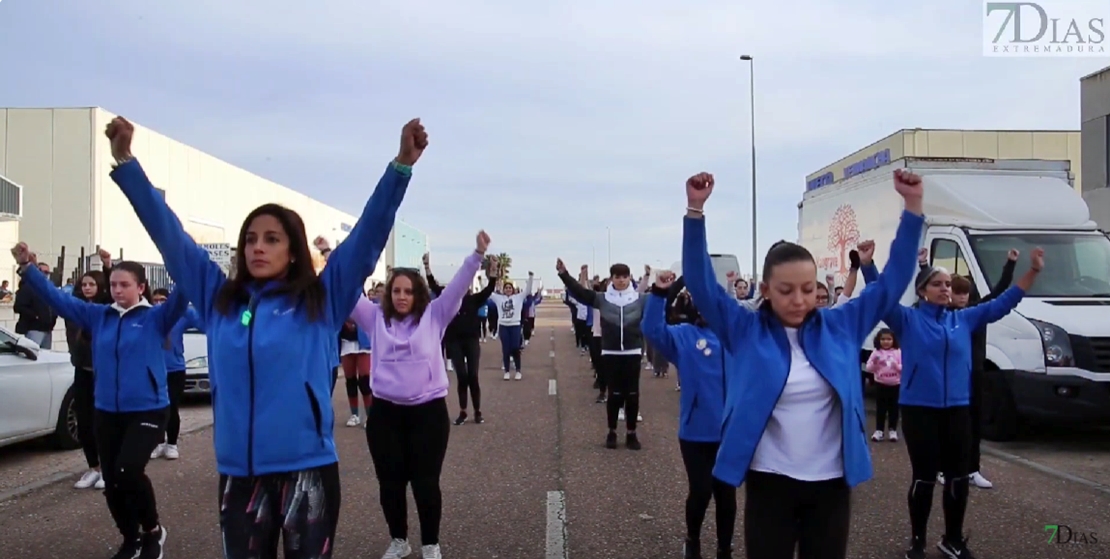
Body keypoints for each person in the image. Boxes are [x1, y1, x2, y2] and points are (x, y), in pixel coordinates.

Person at [103, 115, 426, 559]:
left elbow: (368, 235)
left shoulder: (322, 299)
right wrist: (127, 163)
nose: (257, 247)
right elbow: (171, 238)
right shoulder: (219, 299)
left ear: (293, 250)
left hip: (307, 471)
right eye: (251, 238)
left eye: (272, 239)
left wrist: (401, 168)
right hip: (240, 475)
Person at [682, 169, 925, 559]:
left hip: (830, 484)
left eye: (808, 289)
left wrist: (912, 207)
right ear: (764, 290)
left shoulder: (842, 325)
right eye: (786, 290)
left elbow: (893, 280)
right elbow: (699, 283)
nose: (799, 299)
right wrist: (695, 211)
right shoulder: (744, 329)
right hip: (769, 482)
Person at [861, 247, 1041, 559]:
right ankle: (917, 541)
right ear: (922, 291)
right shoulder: (907, 319)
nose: (945, 289)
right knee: (925, 476)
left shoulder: (965, 319)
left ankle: (953, 539)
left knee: (958, 476)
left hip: (958, 407)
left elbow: (1004, 302)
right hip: (920, 409)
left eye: (948, 284)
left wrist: (1033, 271)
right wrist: (867, 265)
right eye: (938, 284)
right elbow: (881, 298)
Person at [12, 242, 187, 559]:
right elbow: (57, 299)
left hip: (147, 409)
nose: (118, 290)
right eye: (115, 285)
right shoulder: (98, 316)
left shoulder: (156, 318)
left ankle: (153, 531)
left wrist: (183, 260)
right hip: (106, 410)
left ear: (141, 287)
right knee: (113, 481)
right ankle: (130, 538)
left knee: (128, 472)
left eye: (125, 285)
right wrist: (27, 268)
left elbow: (183, 295)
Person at [350, 231, 489, 559]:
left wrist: (477, 255)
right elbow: (347, 294)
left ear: (418, 294)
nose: (401, 296)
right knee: (390, 485)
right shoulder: (374, 318)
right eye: (396, 290)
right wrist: (329, 258)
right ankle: (400, 540)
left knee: (426, 483)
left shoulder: (435, 315)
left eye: (408, 291)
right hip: (385, 415)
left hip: (428, 414)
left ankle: (430, 543)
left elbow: (457, 286)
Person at [642, 269, 736, 559]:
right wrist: (659, 293)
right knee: (701, 490)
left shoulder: (735, 337)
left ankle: (724, 548)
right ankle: (692, 539)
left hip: (729, 432)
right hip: (695, 432)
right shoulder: (683, 336)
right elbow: (652, 330)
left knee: (726, 494)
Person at [556, 260, 650, 450]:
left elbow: (665, 296)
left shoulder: (641, 299)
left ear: (630, 277)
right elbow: (580, 293)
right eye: (617, 277)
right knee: (614, 394)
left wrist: (682, 278)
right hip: (610, 351)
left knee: (632, 394)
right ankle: (612, 431)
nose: (622, 280)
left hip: (632, 351)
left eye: (625, 276)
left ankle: (631, 433)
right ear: (612, 279)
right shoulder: (603, 298)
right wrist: (564, 274)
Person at [425, 254, 499, 425]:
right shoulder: (447, 298)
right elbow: (433, 285)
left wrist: (493, 270)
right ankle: (463, 411)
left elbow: (489, 289)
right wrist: (427, 266)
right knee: (462, 376)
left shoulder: (473, 300)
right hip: (454, 342)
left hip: (471, 341)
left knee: (473, 375)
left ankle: (477, 411)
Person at [68, 257, 113, 490]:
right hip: (82, 370)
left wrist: (107, 266)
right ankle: (93, 468)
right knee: (83, 421)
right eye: (84, 284)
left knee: (102, 422)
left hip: (103, 374)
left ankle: (107, 468)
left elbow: (111, 293)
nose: (87, 288)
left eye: (91, 284)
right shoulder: (75, 308)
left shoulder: (105, 309)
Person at [147, 287, 204, 460]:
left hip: (175, 369)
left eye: (163, 300)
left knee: (171, 407)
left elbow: (202, 323)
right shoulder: (151, 317)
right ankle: (158, 442)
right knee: (155, 408)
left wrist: (181, 307)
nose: (158, 304)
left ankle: (171, 443)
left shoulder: (181, 316)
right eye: (155, 300)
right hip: (154, 368)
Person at [487, 273, 534, 380]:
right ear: (504, 290)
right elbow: (488, 292)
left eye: (510, 288)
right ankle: (507, 371)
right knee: (506, 349)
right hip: (503, 326)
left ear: (512, 289)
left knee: (515, 348)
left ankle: (518, 370)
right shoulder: (499, 298)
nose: (508, 289)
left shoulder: (518, 297)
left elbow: (528, 291)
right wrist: (482, 281)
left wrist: (531, 277)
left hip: (515, 326)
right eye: (506, 288)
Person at [865, 328, 902, 442]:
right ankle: (879, 430)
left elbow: (903, 368)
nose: (886, 341)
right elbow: (868, 368)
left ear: (893, 340)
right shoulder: (876, 353)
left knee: (893, 408)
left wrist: (895, 365)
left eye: (889, 339)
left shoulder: (898, 352)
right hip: (881, 384)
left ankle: (892, 430)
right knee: (881, 408)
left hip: (895, 384)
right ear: (878, 340)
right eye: (883, 339)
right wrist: (875, 363)